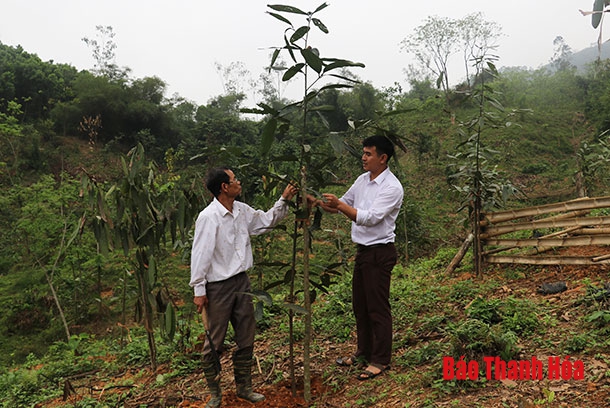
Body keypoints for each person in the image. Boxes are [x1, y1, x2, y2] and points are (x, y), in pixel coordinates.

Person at [190, 167, 298, 407]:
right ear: (224, 188)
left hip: (242, 282)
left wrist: (284, 199)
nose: (239, 182)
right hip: (217, 287)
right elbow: (201, 255)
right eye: (234, 179)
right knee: (214, 340)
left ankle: (244, 387)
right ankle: (215, 393)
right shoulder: (209, 217)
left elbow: (265, 222)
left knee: (246, 335)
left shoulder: (241, 210)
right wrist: (199, 290)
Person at [319, 135, 404, 381]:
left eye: (368, 154)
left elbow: (370, 217)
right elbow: (342, 204)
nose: (363, 158)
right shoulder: (362, 180)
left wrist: (340, 206)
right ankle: (363, 352)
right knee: (361, 306)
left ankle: (380, 360)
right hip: (364, 251)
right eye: (363, 153)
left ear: (383, 158)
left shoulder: (392, 187)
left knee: (377, 308)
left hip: (380, 252)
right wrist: (318, 202)